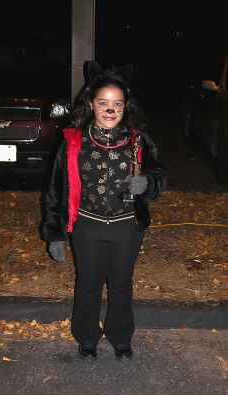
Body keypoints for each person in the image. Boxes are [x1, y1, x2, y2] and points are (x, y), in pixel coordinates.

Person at [42, 60, 167, 359]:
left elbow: (160, 175)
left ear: (126, 106)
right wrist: (55, 234)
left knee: (121, 282)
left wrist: (147, 182)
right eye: (103, 102)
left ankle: (120, 337)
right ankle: (86, 336)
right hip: (87, 226)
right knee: (88, 282)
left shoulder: (138, 140)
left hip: (126, 226)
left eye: (117, 104)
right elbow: (55, 190)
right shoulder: (73, 142)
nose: (110, 110)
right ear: (90, 103)